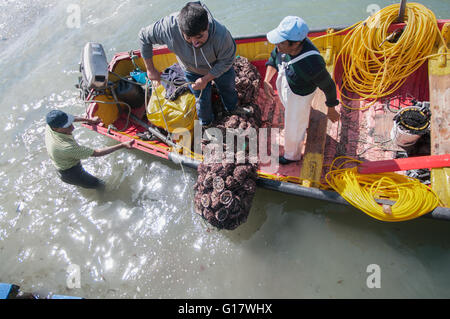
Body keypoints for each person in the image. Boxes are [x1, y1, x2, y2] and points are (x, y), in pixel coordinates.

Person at [138, 1, 238, 127]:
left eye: (199, 37)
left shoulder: (222, 35)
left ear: (207, 26)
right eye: (189, 38)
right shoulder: (168, 28)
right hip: (192, 71)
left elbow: (227, 60)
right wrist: (150, 69)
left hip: (219, 67)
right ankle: (206, 124)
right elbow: (143, 37)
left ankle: (232, 109)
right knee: (201, 99)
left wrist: (206, 78)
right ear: (181, 30)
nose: (194, 43)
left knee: (228, 88)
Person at [263, 16, 340, 165]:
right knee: (295, 115)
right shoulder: (282, 46)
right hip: (289, 90)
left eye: (281, 42)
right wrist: (266, 80)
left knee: (293, 127)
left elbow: (329, 86)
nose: (277, 45)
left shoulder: (312, 63)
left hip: (299, 97)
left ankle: (292, 155)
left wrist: (331, 109)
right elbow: (273, 59)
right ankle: (302, 121)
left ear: (296, 43)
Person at [44, 110, 134, 190]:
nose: (72, 128)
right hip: (71, 173)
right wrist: (122, 145)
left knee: (84, 184)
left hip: (61, 162)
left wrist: (90, 120)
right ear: (55, 128)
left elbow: (72, 118)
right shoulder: (65, 147)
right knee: (100, 185)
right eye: (67, 126)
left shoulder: (50, 125)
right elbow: (97, 153)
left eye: (70, 123)